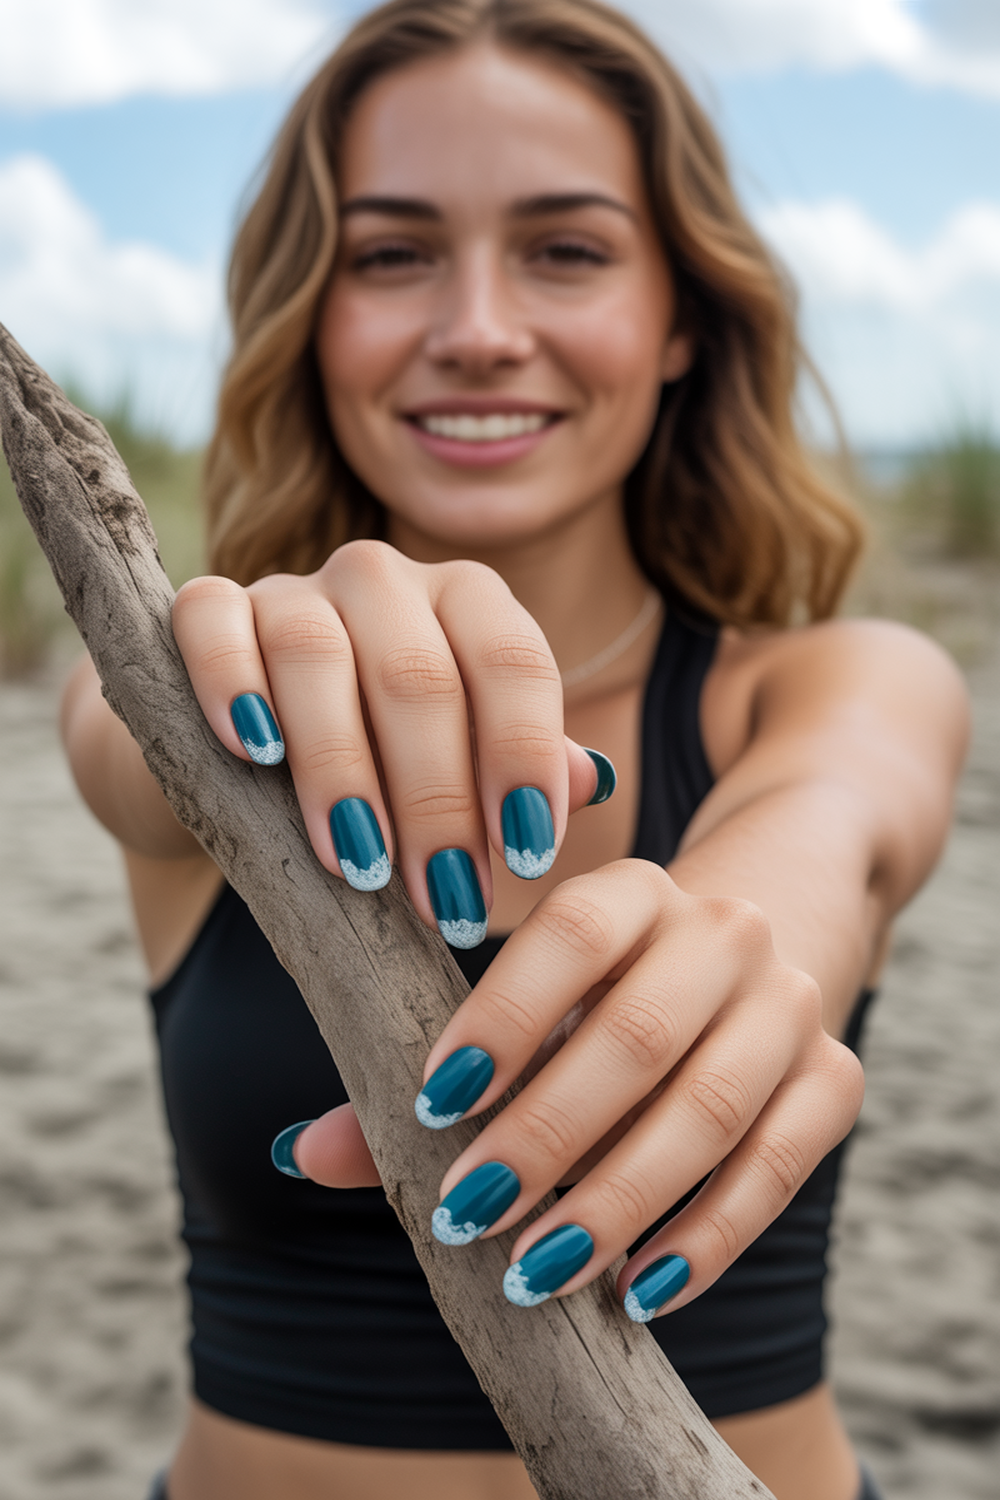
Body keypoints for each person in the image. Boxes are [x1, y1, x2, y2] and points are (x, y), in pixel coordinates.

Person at [60, 2, 968, 1497]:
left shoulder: (842, 683)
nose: (477, 328)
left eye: (567, 248)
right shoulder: (202, 687)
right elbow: (122, 739)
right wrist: (232, 678)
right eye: (393, 253)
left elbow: (831, 824)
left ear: (682, 314)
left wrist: (727, 949)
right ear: (310, 313)